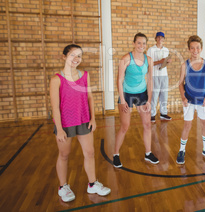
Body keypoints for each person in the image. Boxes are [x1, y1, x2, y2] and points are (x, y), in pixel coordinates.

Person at [50, 44, 111, 203]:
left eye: (79, 56)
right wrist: (59, 128)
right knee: (64, 154)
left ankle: (92, 184)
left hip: (84, 119)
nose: (76, 59)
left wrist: (93, 118)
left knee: (90, 152)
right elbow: (55, 107)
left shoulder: (84, 75)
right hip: (65, 123)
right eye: (72, 55)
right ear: (64, 57)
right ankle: (63, 186)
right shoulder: (56, 79)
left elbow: (90, 97)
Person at [113, 33, 159, 168]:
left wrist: (149, 100)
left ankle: (148, 153)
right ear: (134, 43)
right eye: (139, 43)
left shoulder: (148, 59)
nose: (141, 46)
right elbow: (119, 80)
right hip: (126, 94)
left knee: (147, 125)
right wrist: (122, 100)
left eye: (144, 43)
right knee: (125, 126)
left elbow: (150, 80)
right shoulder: (126, 59)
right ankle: (116, 154)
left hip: (142, 94)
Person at [176, 35, 205, 164]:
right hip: (189, 99)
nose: (195, 50)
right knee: (187, 125)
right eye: (192, 48)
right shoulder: (185, 65)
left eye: (197, 48)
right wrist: (183, 97)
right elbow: (180, 83)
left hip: (202, 99)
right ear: (189, 49)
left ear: (201, 48)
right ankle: (181, 150)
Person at [147, 31, 172, 123]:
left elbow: (164, 63)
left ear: (164, 39)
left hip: (164, 76)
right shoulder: (151, 50)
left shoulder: (166, 50)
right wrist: (159, 61)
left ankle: (163, 113)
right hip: (154, 75)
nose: (160, 39)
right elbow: (148, 63)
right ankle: (152, 115)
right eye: (158, 37)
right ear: (156, 38)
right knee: (154, 96)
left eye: (162, 37)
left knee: (164, 96)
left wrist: (167, 62)